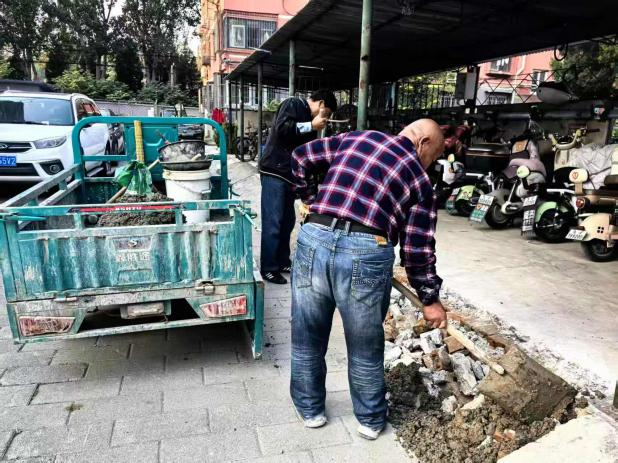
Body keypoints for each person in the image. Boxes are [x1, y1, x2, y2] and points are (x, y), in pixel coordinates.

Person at [289, 119, 448, 440]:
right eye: (432, 158)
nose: (428, 166)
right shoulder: (420, 181)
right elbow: (416, 250)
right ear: (424, 143)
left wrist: (309, 198)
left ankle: (310, 411)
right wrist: (430, 299)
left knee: (307, 335)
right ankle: (370, 421)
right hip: (366, 250)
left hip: (314, 237)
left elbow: (301, 157)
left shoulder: (357, 138)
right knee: (364, 345)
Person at [258, 89, 338, 284]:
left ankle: (282, 261)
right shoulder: (293, 104)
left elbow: (307, 157)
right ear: (321, 104)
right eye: (327, 113)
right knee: (273, 223)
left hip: (289, 176)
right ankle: (268, 268)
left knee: (287, 222)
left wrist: (310, 195)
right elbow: (282, 129)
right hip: (274, 172)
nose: (326, 119)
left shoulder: (310, 123)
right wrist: (311, 125)